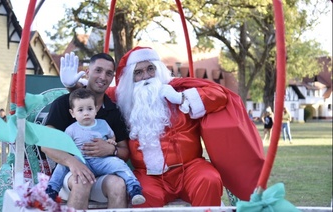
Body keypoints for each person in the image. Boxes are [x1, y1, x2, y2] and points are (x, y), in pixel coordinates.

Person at [111, 46, 265, 207]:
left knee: (209, 180)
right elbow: (95, 94)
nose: (146, 77)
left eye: (151, 69)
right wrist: (85, 84)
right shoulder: (124, 98)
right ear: (131, 78)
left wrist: (181, 98)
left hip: (190, 168)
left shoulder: (179, 89)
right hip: (148, 175)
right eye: (138, 72)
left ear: (160, 70)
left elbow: (220, 95)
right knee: (142, 194)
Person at [41, 52, 130, 209]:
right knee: (82, 180)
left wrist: (111, 149)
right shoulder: (64, 104)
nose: (103, 77)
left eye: (109, 73)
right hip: (69, 174)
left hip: (102, 173)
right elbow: (46, 144)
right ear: (87, 72)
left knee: (118, 184)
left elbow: (125, 151)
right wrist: (72, 162)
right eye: (98, 70)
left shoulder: (113, 111)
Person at [47, 88, 145, 205]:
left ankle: (134, 187)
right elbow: (64, 147)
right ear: (73, 113)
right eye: (80, 110)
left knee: (118, 164)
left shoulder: (103, 124)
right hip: (81, 160)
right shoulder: (71, 129)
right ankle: (51, 190)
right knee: (62, 165)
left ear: (95, 110)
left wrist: (111, 144)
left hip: (101, 161)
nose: (86, 113)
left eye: (89, 109)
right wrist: (71, 158)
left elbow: (112, 136)